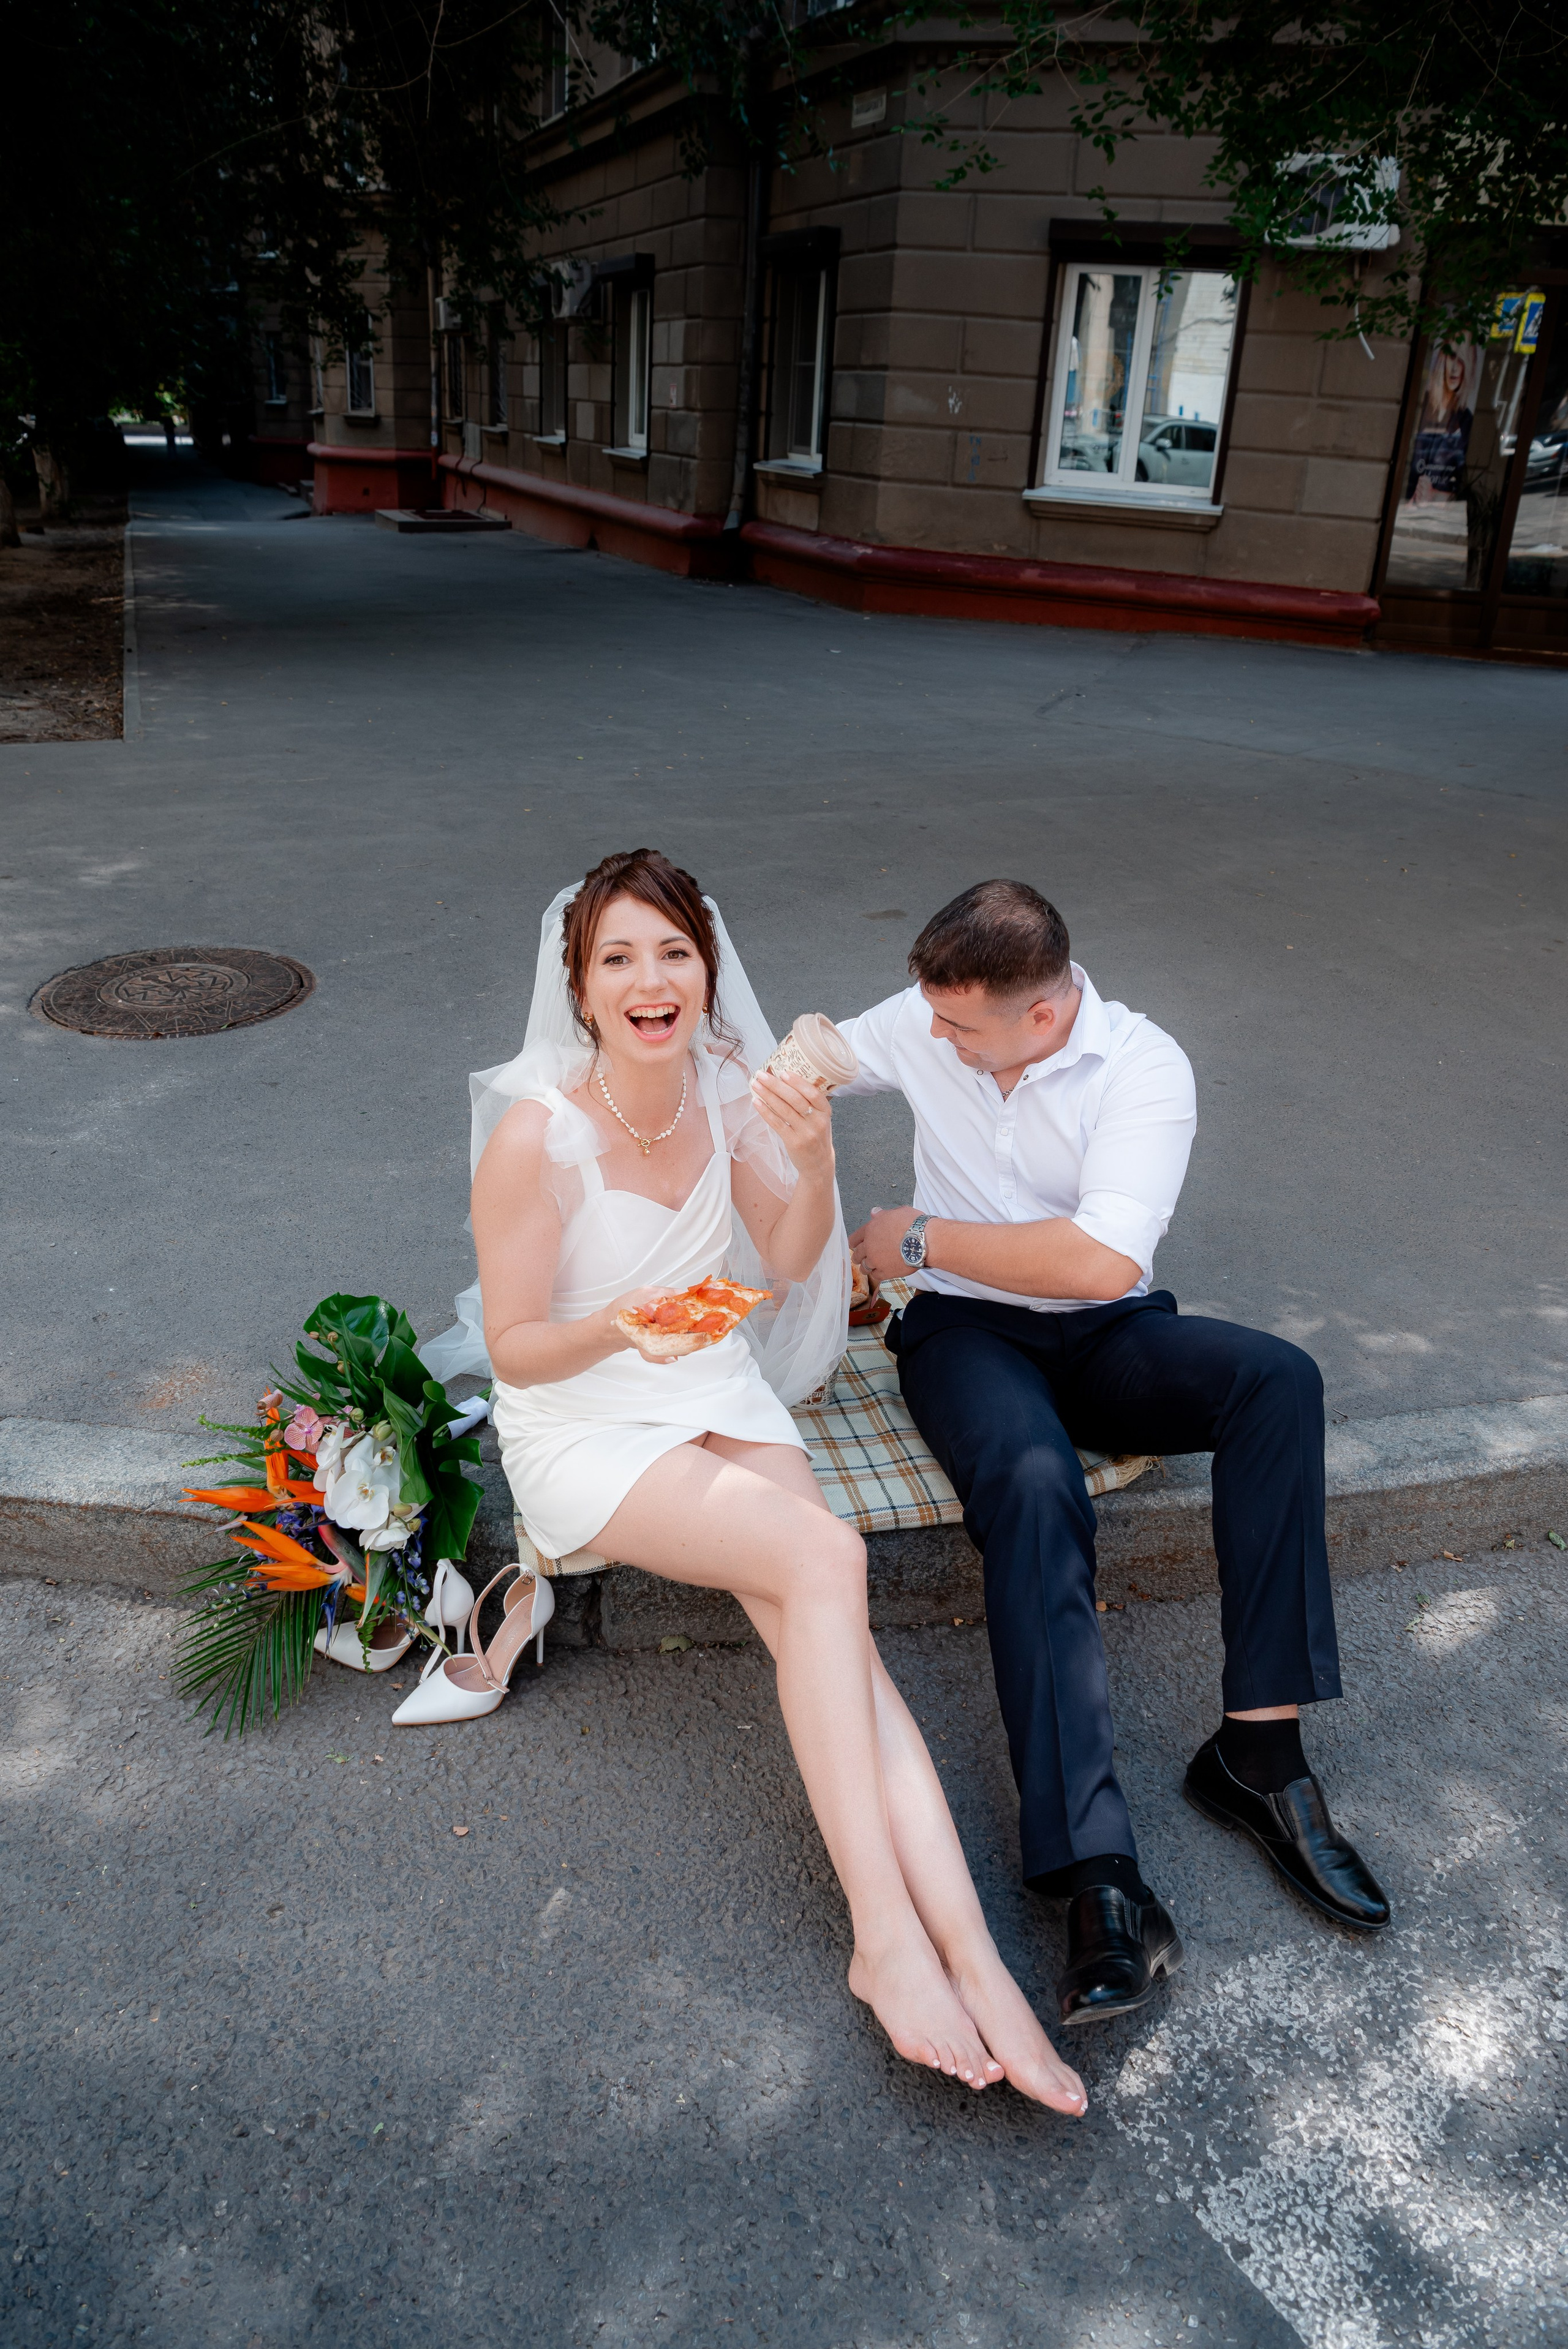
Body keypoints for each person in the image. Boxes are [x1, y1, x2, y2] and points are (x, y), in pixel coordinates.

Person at [415, 848, 1088, 2113]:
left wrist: (814, 1155)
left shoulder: (726, 1091)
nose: (649, 978)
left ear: (706, 973)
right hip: (584, 1413)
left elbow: (783, 1263)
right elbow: (515, 1346)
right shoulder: (535, 1135)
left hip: (708, 1378)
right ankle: (885, 1938)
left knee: (824, 1626)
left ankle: (975, 1960)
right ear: (580, 986)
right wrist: (630, 1325)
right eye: (617, 957)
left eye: (672, 952)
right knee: (825, 1557)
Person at [840, 879, 1390, 2029]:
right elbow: (798, 1066)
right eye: (928, 1018)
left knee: (1277, 1379)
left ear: (1042, 1017)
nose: (929, 1039)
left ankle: (1260, 1755)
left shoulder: (1145, 1066)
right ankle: (1097, 1872)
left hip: (1107, 1330)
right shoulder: (927, 1015)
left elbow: (1099, 1263)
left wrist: (914, 1234)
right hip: (961, 1334)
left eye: (957, 1026)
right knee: (1034, 1482)